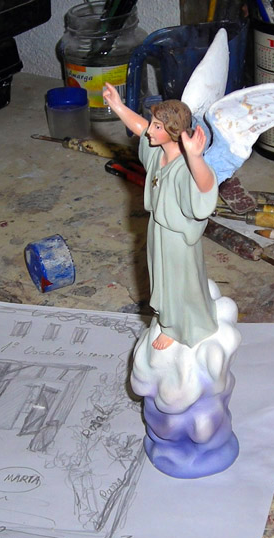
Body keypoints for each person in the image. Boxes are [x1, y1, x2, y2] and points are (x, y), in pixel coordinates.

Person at [102, 83, 218, 350]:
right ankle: (169, 321)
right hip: (158, 229)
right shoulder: (158, 154)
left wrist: (196, 157)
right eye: (153, 124)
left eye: (157, 126)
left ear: (173, 131)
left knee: (179, 282)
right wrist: (117, 105)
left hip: (178, 237)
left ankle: (181, 327)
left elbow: (205, 187)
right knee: (162, 279)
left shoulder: (185, 166)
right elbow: (140, 127)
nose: (150, 131)